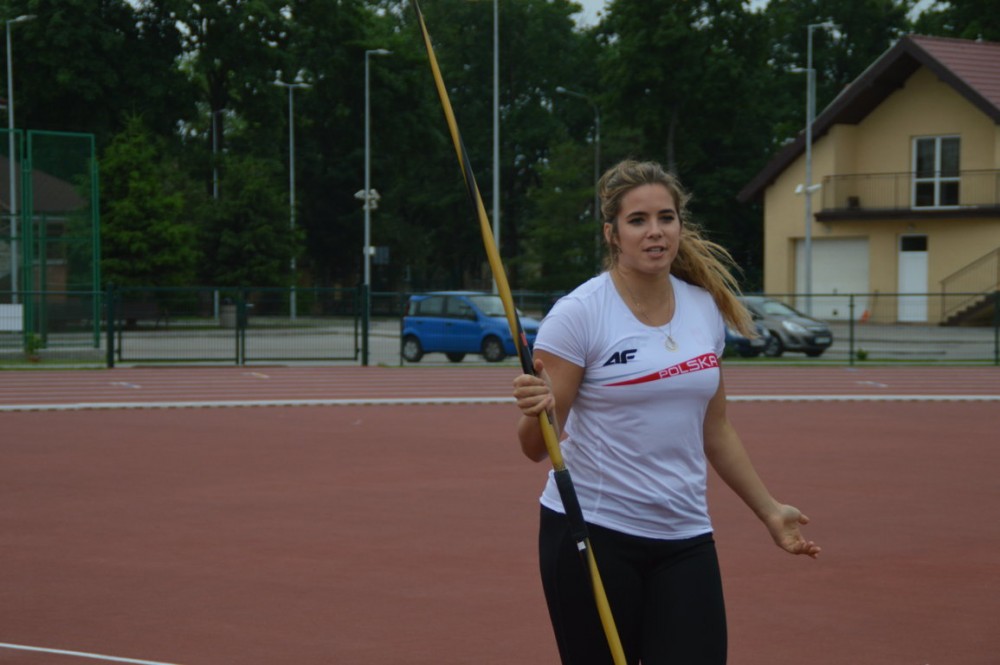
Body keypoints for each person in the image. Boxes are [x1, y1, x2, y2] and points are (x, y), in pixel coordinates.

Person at [512, 159, 820, 665]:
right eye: (638, 220)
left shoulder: (704, 307)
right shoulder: (579, 314)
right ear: (612, 233)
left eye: (666, 218)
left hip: (685, 535)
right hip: (594, 531)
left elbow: (715, 428)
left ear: (680, 224)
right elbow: (534, 448)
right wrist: (537, 410)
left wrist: (769, 510)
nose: (655, 231)